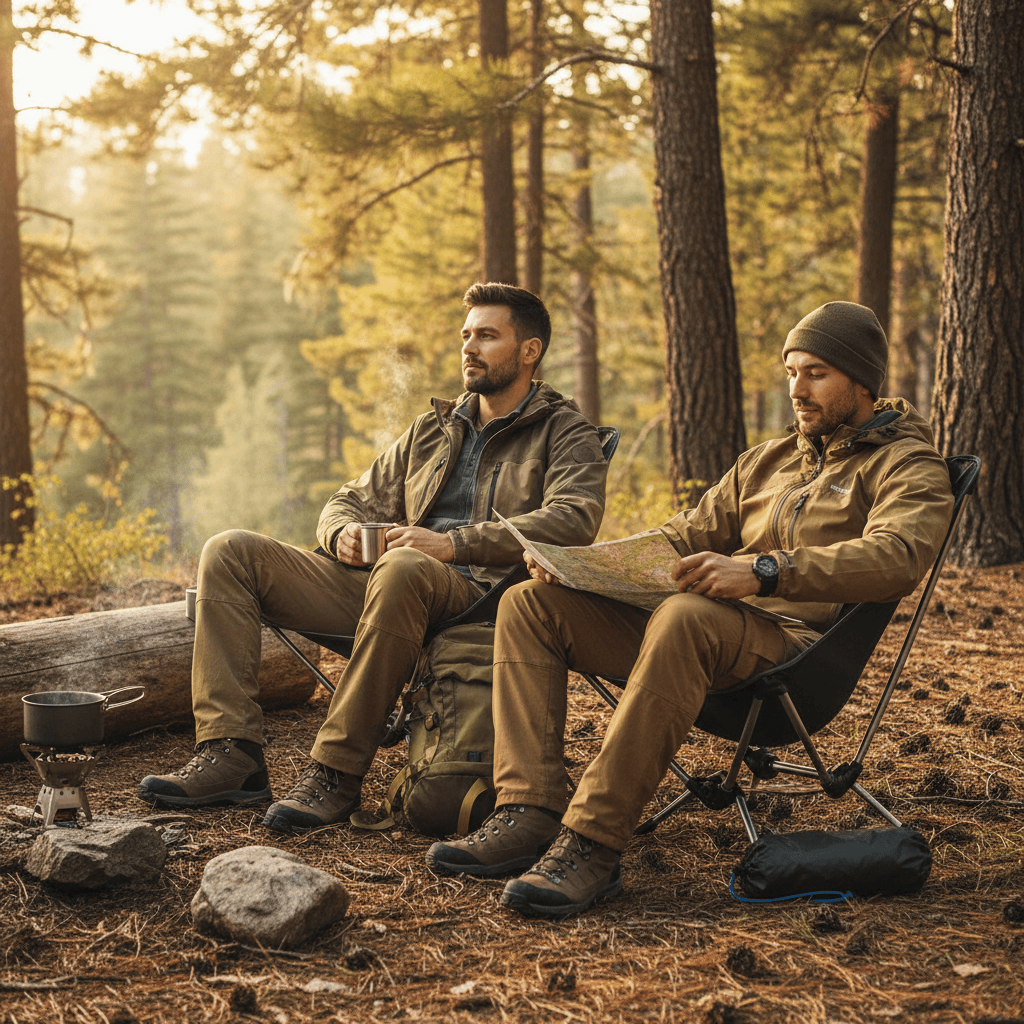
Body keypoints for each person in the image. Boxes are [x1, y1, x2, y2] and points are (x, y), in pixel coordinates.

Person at [425, 300, 955, 918]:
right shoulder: (770, 462)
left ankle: (592, 844)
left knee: (685, 614)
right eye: (791, 372)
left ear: (862, 381)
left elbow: (897, 556)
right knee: (532, 603)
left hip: (798, 661)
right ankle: (529, 810)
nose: (798, 389)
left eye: (817, 373)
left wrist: (763, 570)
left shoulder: (908, 464)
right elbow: (684, 535)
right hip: (712, 644)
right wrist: (583, 566)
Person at [138, 282, 609, 833]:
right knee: (231, 551)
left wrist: (453, 543)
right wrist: (340, 532)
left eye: (487, 335)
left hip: (480, 600)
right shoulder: (434, 428)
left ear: (530, 351)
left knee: (405, 565)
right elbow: (349, 498)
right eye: (465, 335)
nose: (469, 347)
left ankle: (336, 772)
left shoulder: (564, 431)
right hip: (388, 590)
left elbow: (573, 520)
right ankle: (231, 753)